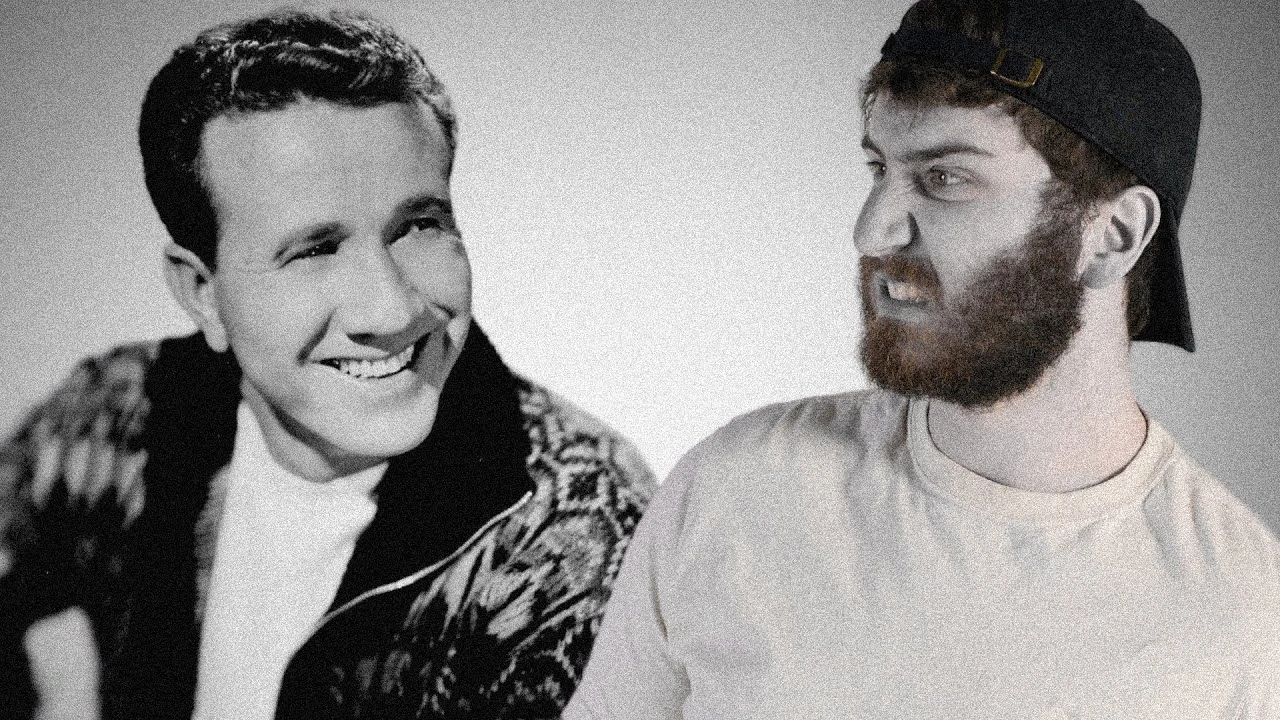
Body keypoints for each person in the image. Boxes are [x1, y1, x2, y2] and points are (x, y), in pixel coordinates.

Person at [564, 0, 1280, 716]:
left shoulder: (1243, 615)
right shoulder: (735, 490)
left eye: (945, 178)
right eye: (878, 167)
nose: (872, 229)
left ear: (1114, 234)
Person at [0, 10, 653, 720]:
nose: (391, 310)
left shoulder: (572, 532)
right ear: (203, 292)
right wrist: (60, 681)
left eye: (419, 226)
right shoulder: (126, 414)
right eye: (314, 250)